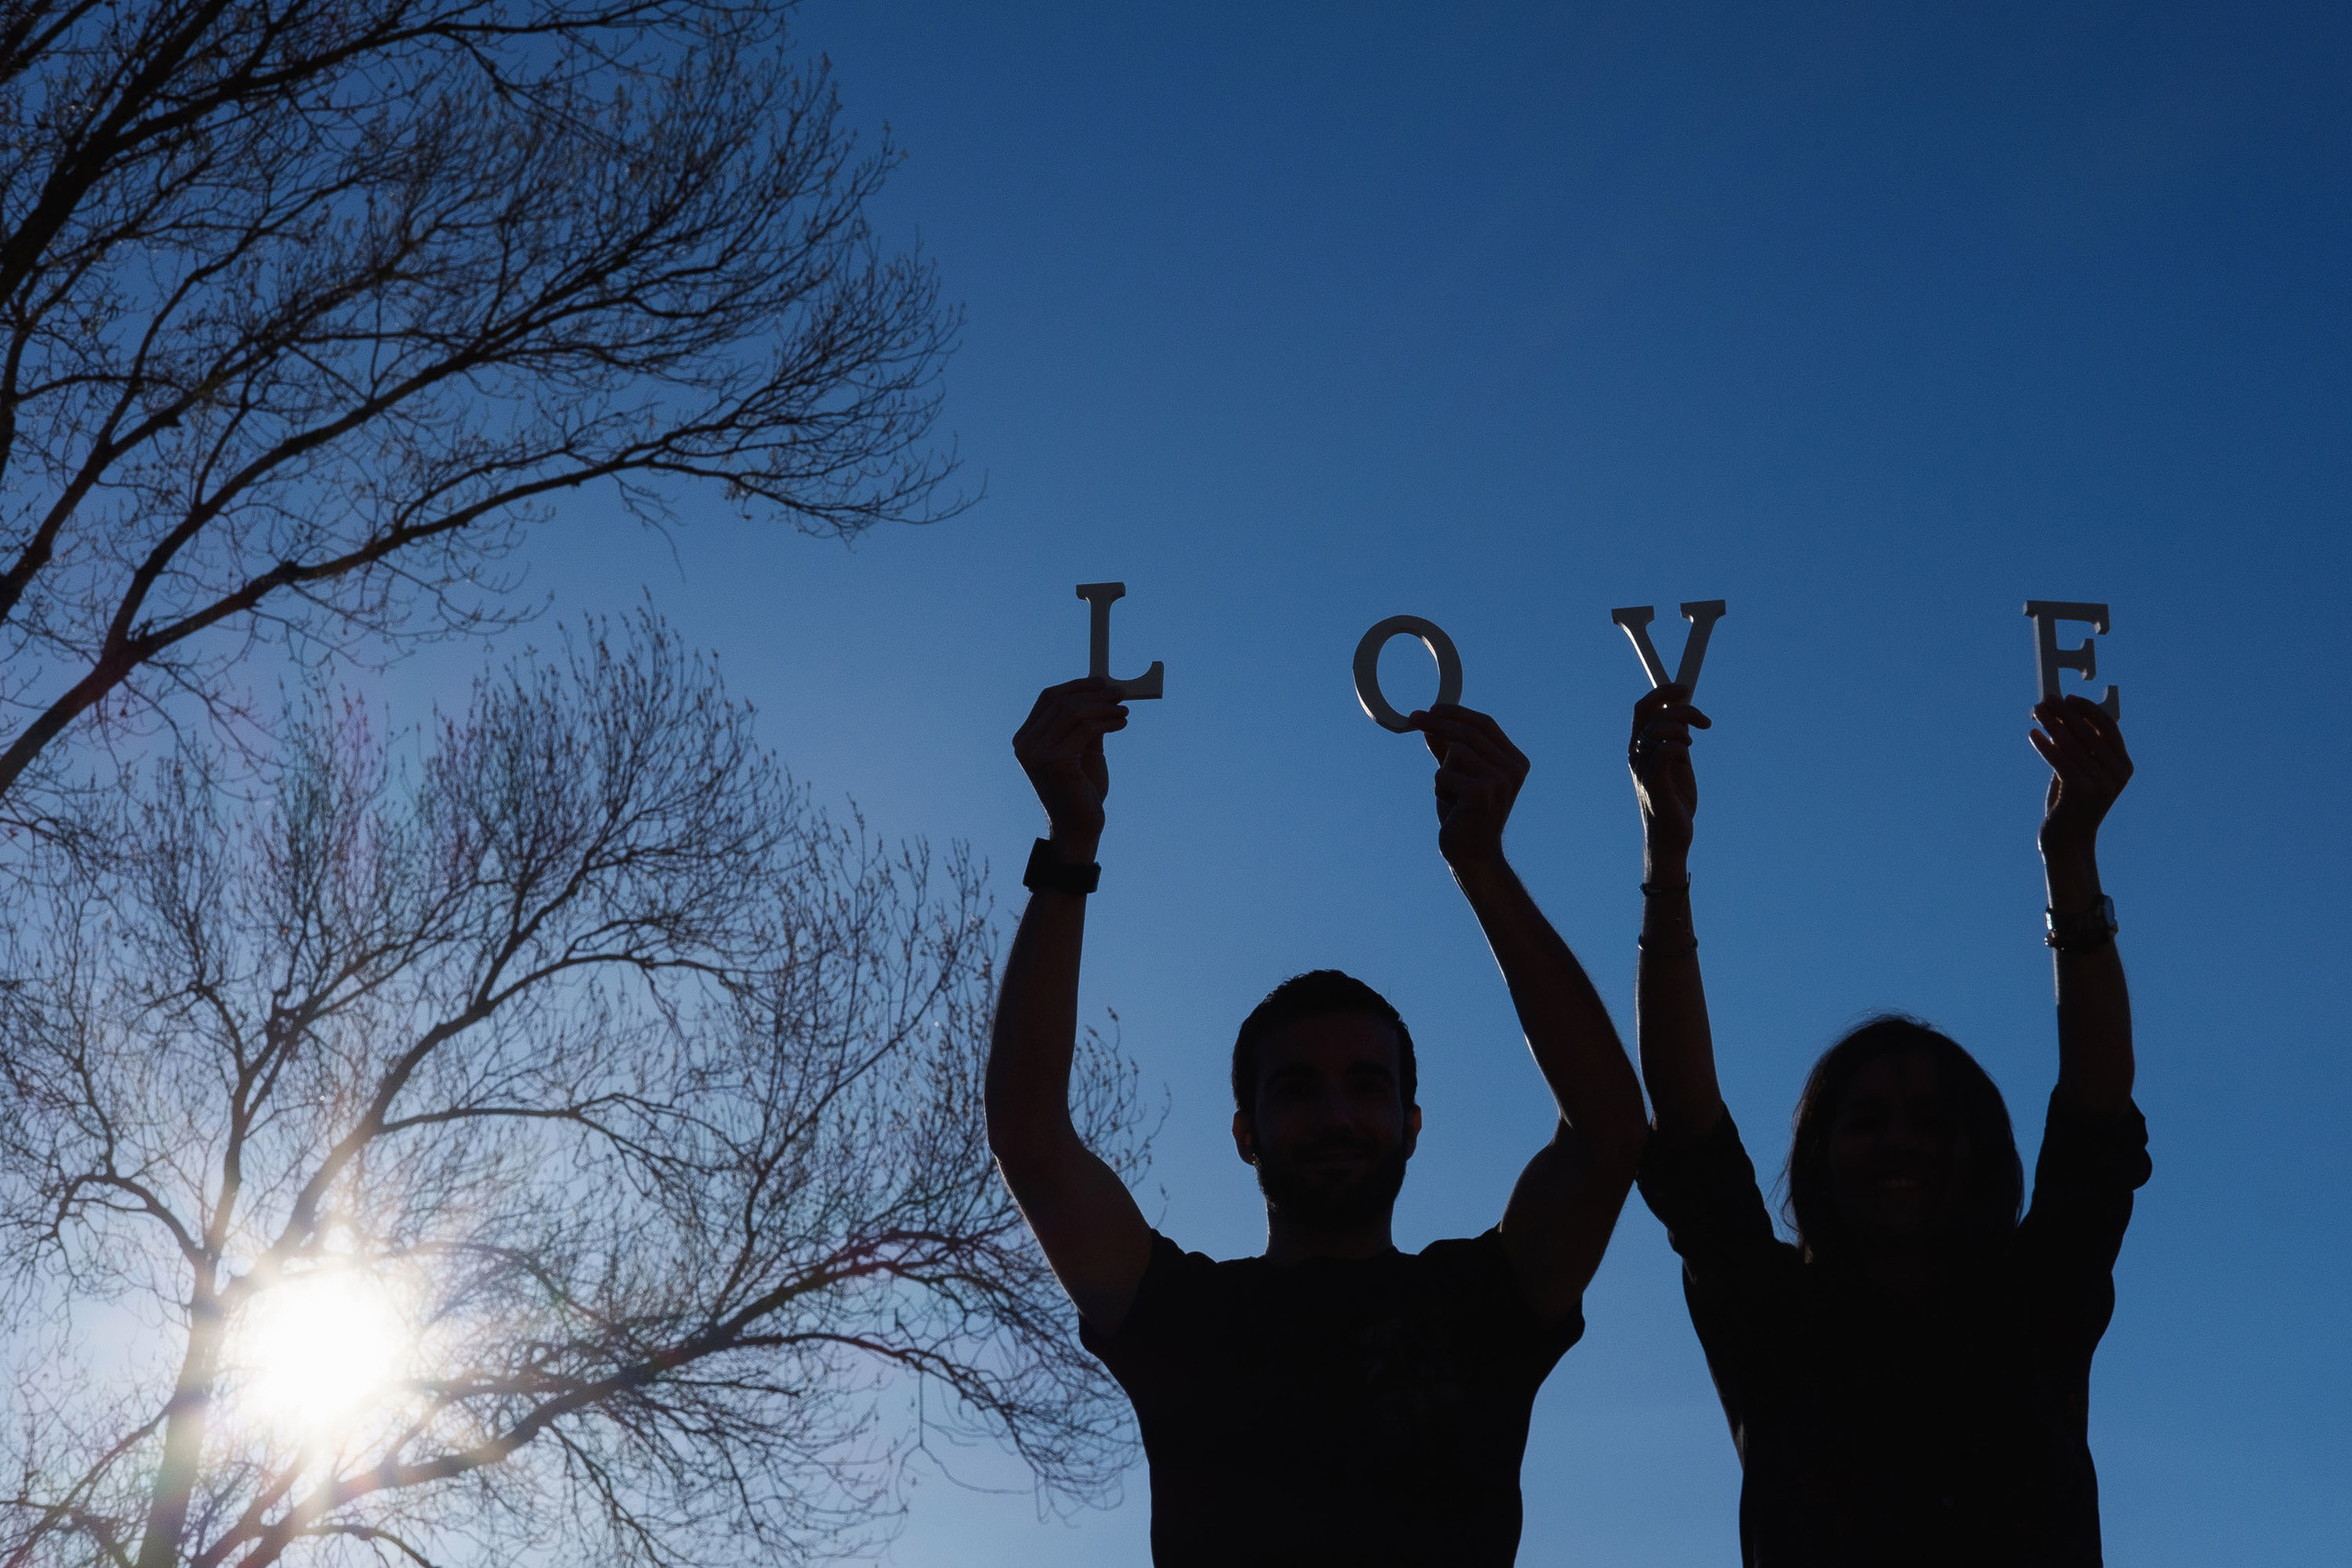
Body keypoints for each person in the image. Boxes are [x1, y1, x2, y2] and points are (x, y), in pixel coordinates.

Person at [986, 677, 1648, 1567]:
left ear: (1413, 1123)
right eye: (1296, 1089)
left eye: (1366, 1086)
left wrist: (1481, 862)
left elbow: (1609, 1132)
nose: (1335, 1113)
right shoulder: (1183, 1317)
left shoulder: (1479, 1306)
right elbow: (1029, 1138)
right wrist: (1070, 842)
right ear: (1244, 1133)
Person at [1627, 682, 2150, 1567]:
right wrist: (1666, 857)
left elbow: (2098, 1112)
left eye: (1929, 1118)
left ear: (1979, 1150)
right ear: (1820, 1154)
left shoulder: (2034, 1308)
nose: (1900, 1139)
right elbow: (1687, 1125)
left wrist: (2073, 860)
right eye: (1866, 1119)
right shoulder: (1776, 1322)